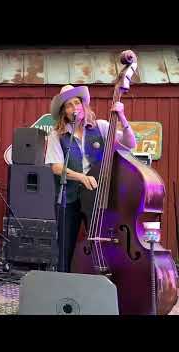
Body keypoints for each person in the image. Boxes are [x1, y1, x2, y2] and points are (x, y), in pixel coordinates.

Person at [45, 84, 136, 273]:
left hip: (98, 197)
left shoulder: (101, 127)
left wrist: (122, 118)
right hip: (69, 198)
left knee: (102, 243)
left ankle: (103, 280)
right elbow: (56, 167)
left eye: (76, 103)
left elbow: (130, 144)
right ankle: (64, 285)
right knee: (65, 247)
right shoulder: (57, 135)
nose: (73, 108)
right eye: (68, 105)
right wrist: (81, 177)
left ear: (84, 105)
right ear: (64, 111)